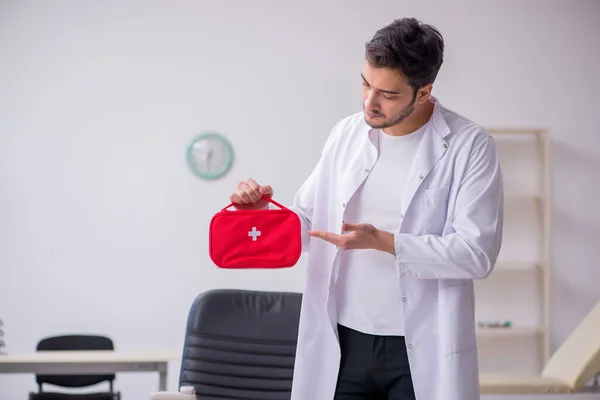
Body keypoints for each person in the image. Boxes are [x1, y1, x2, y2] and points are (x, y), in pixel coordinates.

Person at [229, 17, 503, 400]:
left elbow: (476, 254)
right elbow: (308, 223)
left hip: (418, 344)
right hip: (344, 340)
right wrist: (265, 214)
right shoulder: (346, 134)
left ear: (423, 92)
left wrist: (385, 241)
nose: (369, 103)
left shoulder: (469, 146)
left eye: (387, 94)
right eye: (365, 83)